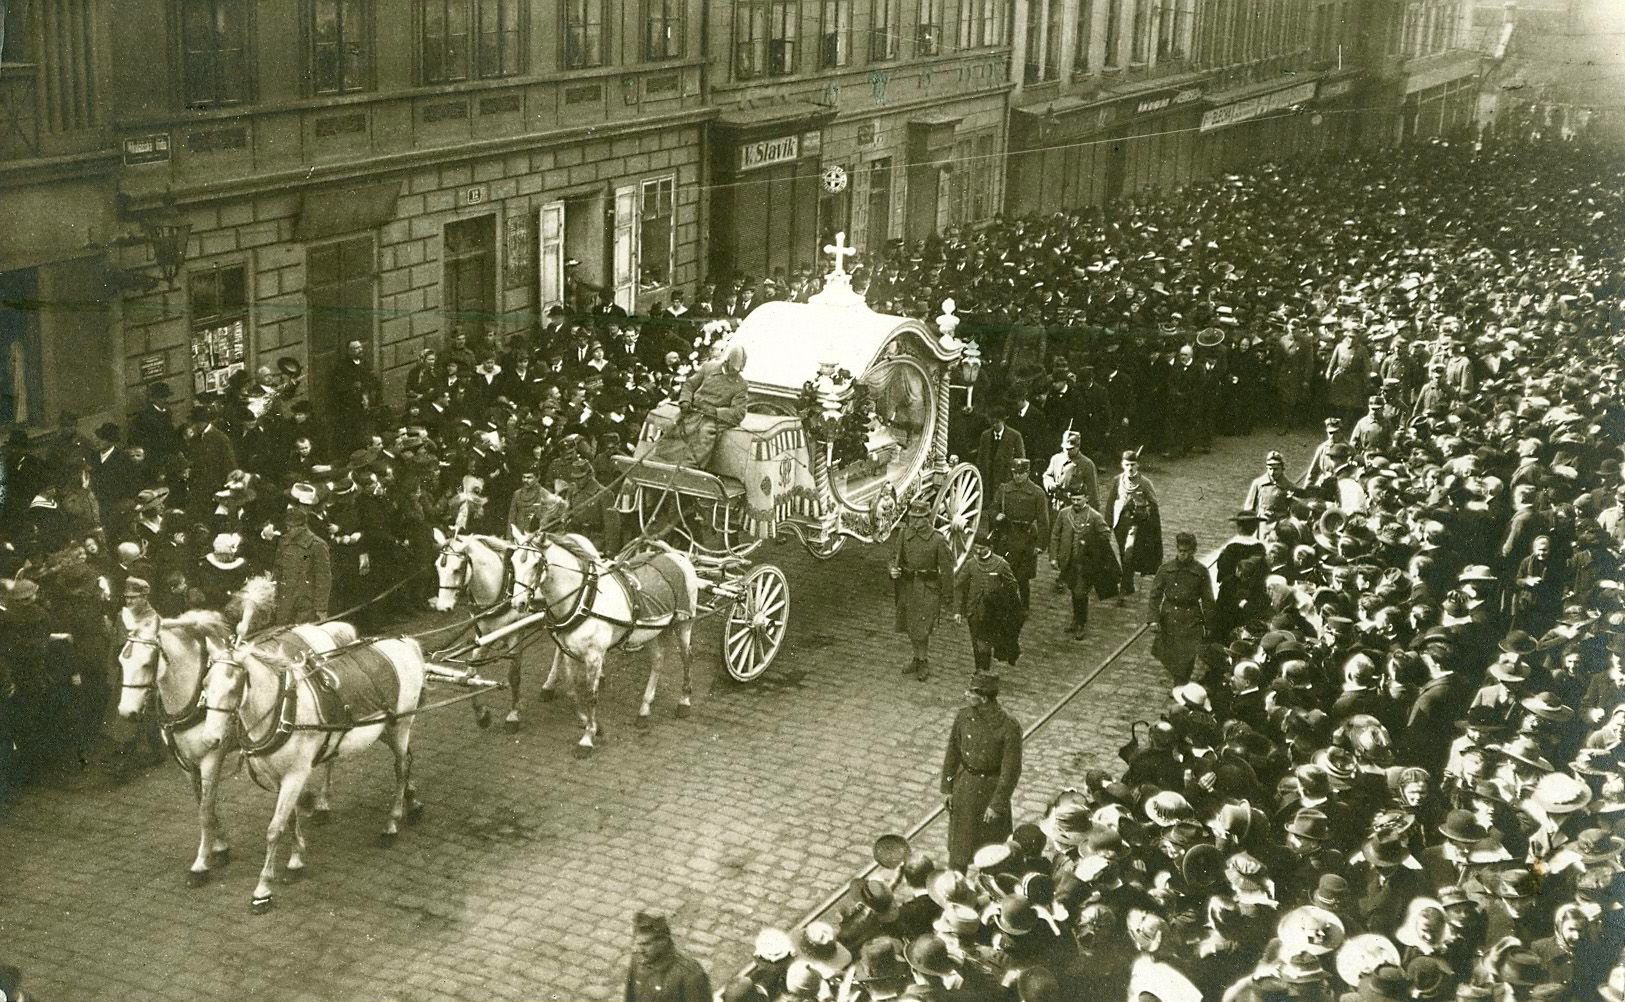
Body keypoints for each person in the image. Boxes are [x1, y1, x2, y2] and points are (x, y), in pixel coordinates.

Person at [940, 670, 1022, 871]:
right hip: (965, 789)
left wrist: (997, 804)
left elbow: (1011, 770)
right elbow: (953, 752)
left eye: (971, 692)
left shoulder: (1008, 726)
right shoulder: (963, 717)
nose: (966, 694)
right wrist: (948, 788)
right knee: (959, 851)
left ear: (984, 698)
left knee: (991, 853)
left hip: (989, 793)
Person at [645, 344, 748, 470]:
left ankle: (690, 467)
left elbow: (739, 412)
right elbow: (689, 385)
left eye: (738, 370)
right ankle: (660, 462)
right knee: (673, 427)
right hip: (693, 411)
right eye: (733, 368)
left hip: (713, 419)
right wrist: (685, 401)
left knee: (704, 434)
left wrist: (716, 412)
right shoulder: (709, 367)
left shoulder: (741, 385)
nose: (735, 372)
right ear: (727, 362)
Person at [888, 498, 954, 681]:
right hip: (908, 586)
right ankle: (916, 658)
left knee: (922, 627)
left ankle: (923, 661)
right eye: (912, 517)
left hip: (927, 588)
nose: (914, 521)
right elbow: (894, 556)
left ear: (927, 518)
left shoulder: (938, 540)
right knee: (910, 625)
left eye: (919, 518)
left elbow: (948, 570)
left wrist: (948, 596)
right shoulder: (904, 534)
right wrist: (892, 569)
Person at [1050, 486, 1119, 639]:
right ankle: (1075, 620)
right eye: (1073, 499)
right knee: (1074, 591)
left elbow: (1106, 534)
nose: (1075, 502)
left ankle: (1081, 623)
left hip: (1085, 563)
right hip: (1068, 561)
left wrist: (1089, 542)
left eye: (1079, 499)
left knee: (1081, 592)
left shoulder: (1093, 516)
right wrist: (1054, 557)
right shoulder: (1064, 514)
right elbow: (1055, 535)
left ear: (1086, 498)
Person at [1147, 531, 1212, 684]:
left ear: (1193, 551)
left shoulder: (1200, 571)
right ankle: (1179, 679)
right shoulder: (1166, 569)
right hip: (1169, 615)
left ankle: (1181, 683)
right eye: (1180, 551)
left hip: (1191, 618)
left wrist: (1209, 624)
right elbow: (1155, 594)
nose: (1182, 554)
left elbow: (1208, 599)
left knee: (1187, 654)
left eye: (1186, 552)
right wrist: (1153, 619)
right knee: (1169, 654)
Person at [954, 532, 1020, 674]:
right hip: (974, 611)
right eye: (976, 548)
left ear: (990, 547)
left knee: (987, 643)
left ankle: (984, 669)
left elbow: (1012, 586)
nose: (978, 551)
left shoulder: (1001, 564)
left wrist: (1004, 602)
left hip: (993, 613)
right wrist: (957, 610)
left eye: (982, 548)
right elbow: (958, 585)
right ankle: (980, 669)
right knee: (976, 643)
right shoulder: (971, 564)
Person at [989, 458, 1049, 609]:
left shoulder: (1037, 493)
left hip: (1026, 537)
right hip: (1007, 536)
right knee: (1004, 572)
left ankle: (1024, 607)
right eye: (1015, 473)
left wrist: (1041, 545)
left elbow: (1043, 521)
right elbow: (992, 509)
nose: (1017, 476)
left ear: (1028, 473)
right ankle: (1005, 604)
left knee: (1023, 577)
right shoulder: (1004, 489)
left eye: (1021, 473)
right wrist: (996, 516)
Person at [1103, 450, 1163, 598]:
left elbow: (1154, 504)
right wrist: (1108, 524)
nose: (1130, 468)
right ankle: (1128, 581)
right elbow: (1111, 502)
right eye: (1127, 464)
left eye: (1133, 465)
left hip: (1135, 524)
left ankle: (1124, 586)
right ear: (1122, 465)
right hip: (1120, 522)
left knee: (1129, 552)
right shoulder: (1117, 480)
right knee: (1123, 553)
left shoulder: (1144, 483)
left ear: (1138, 465)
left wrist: (1144, 510)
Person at [625, 911, 711, 1002]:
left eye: (647, 944)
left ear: (663, 941)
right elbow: (630, 996)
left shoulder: (690, 975)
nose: (640, 950)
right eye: (638, 944)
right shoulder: (638, 959)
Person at [272, 506, 331, 624]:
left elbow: (323, 579)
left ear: (302, 527)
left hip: (306, 604)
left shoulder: (317, 545)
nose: (288, 529)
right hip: (285, 602)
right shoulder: (284, 542)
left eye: (291, 527)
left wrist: (321, 608)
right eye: (287, 526)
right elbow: (277, 570)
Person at [1042, 429, 1099, 511]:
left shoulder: (1087, 464)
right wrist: (1050, 485)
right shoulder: (1056, 459)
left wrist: (1093, 516)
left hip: (1074, 507)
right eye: (1065, 449)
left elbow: (1093, 493)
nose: (1067, 452)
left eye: (1071, 449)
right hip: (1056, 505)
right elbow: (1047, 475)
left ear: (1078, 446)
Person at [975, 405, 1025, 493]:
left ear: (1003, 421)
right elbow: (980, 457)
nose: (994, 425)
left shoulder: (1015, 436)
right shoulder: (985, 435)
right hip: (988, 479)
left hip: (1006, 478)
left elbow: (1021, 458)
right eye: (992, 422)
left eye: (997, 422)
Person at [1242, 450, 1296, 523]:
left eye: (1276, 469)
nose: (1272, 472)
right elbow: (1248, 509)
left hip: (1281, 524)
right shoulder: (1258, 483)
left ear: (1282, 468)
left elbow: (1295, 510)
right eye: (1270, 469)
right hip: (1263, 522)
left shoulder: (1289, 486)